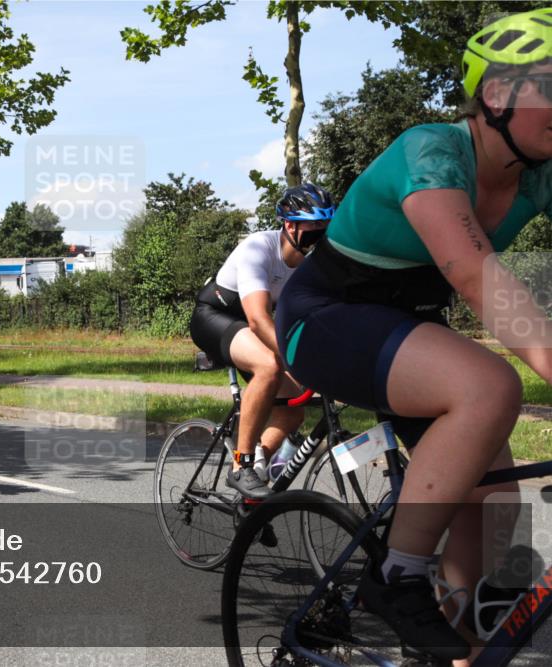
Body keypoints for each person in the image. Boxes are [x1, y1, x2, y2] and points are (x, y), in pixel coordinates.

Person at [274, 8, 551, 662]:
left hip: (407, 328)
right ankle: (397, 576)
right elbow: (478, 279)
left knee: (494, 500)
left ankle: (456, 642)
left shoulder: (538, 174)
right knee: (489, 386)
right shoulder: (432, 150)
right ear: (496, 94)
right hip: (325, 318)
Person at [190, 183, 334, 499]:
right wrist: (293, 358)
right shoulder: (259, 248)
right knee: (269, 365)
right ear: (290, 226)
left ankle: (256, 473)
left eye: (325, 228)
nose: (319, 236)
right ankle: (240, 465)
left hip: (249, 328)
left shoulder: (310, 266)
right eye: (314, 227)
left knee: (293, 410)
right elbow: (257, 319)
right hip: (215, 317)